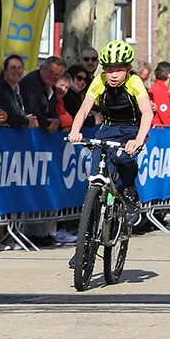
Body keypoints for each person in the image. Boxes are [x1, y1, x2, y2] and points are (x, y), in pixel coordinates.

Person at [68, 40, 154, 225]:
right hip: (108, 128)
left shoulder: (134, 81)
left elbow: (147, 112)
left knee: (123, 158)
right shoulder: (99, 81)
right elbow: (83, 110)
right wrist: (75, 131)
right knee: (95, 174)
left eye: (119, 70)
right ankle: (86, 243)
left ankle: (130, 192)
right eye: (109, 70)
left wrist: (138, 140)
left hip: (132, 129)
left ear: (128, 69)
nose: (113, 75)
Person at [20, 56, 67, 132]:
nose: (53, 76)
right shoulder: (31, 82)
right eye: (51, 72)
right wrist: (49, 124)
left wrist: (56, 121)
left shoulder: (52, 87)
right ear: (42, 68)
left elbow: (53, 111)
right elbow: (33, 112)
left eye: (57, 74)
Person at [0, 55, 33, 128]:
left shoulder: (18, 90)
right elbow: (12, 115)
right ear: (5, 71)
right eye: (13, 68)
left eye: (19, 68)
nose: (17, 71)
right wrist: (27, 121)